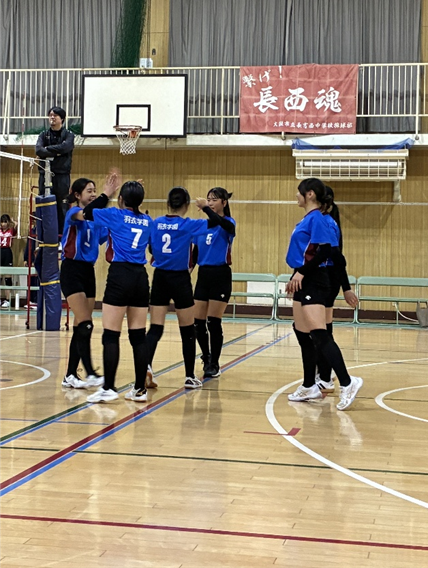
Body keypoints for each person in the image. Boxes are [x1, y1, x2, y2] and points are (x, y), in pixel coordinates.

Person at [72, 175, 153, 404]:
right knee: (138, 336)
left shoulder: (114, 214)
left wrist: (106, 193)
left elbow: (88, 212)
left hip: (119, 275)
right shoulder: (148, 220)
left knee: (111, 334)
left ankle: (108, 388)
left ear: (121, 199)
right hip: (140, 277)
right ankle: (140, 390)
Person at [285, 178, 363, 411]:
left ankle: (347, 382)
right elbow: (305, 253)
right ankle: (309, 384)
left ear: (309, 194)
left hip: (315, 279)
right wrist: (296, 274)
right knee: (301, 333)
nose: (296, 195)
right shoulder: (308, 219)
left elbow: (327, 251)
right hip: (304, 278)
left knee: (319, 334)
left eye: (299, 192)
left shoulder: (318, 218)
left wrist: (302, 272)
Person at [145, 186, 225, 390]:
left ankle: (146, 366)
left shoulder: (156, 223)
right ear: (187, 204)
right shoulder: (189, 224)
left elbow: (151, 248)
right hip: (180, 279)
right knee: (187, 330)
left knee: (155, 327)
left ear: (168, 204)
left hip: (160, 277)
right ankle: (189, 376)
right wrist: (205, 207)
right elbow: (217, 222)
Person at [60, 178, 109, 389]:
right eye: (89, 191)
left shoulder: (95, 220)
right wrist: (107, 195)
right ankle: (90, 373)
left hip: (88, 271)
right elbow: (86, 214)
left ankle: (70, 375)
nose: (93, 194)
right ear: (78, 195)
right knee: (85, 324)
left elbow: (103, 235)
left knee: (82, 326)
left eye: (95, 190)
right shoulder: (73, 213)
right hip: (72, 270)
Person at [315, 185, 358, 393]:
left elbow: (338, 258)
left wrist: (346, 288)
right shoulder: (320, 221)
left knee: (320, 329)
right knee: (320, 327)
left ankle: (326, 376)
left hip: (327, 278)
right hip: (322, 277)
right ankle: (324, 373)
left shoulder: (326, 223)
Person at [193, 187, 236, 379]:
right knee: (198, 322)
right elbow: (195, 253)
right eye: (208, 200)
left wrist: (205, 208)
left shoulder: (228, 223)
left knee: (213, 321)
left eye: (214, 200)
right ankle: (206, 356)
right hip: (203, 274)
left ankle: (215, 363)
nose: (210, 203)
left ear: (224, 203)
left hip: (220, 274)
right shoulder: (202, 226)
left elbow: (222, 223)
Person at [35, 106, 75, 237]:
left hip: (62, 176)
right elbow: (38, 150)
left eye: (55, 115)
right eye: (50, 115)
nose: (52, 117)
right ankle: (43, 236)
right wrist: (56, 152)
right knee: (43, 203)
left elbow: (65, 147)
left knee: (61, 206)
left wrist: (47, 149)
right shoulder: (43, 135)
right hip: (44, 175)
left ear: (62, 119)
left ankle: (61, 237)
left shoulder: (68, 135)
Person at [0, 214, 17, 309]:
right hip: (0, 251)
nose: (3, 224)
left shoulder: (11, 231)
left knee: (7, 278)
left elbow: (16, 226)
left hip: (7, 252)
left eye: (5, 222)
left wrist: (13, 222)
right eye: (2, 222)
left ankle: (8, 300)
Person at [23, 220, 38, 309]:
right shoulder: (32, 231)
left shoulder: (40, 231)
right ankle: (30, 300)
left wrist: (34, 261)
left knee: (36, 280)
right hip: (30, 259)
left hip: (36, 260)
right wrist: (25, 259)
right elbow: (28, 246)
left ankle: (36, 301)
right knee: (30, 281)